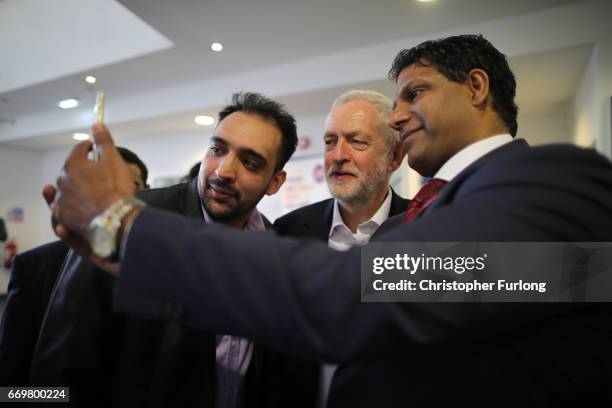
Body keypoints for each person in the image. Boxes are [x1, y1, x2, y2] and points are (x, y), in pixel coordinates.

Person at [47, 35, 612, 407]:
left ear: (477, 87)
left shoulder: (558, 183)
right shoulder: (434, 223)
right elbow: (44, 382)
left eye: (414, 93)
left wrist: (124, 223)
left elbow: (362, 294)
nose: (396, 116)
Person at [32, 92, 318, 407]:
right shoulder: (130, 219)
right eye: (217, 149)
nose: (223, 171)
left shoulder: (269, 244)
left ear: (275, 182)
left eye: (249, 162)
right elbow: (59, 364)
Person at [273, 90, 408, 406]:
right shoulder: (288, 231)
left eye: (356, 141)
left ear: (394, 156)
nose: (338, 155)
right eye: (330, 141)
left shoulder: (426, 229)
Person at [0, 147, 149, 386]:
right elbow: (11, 380)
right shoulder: (34, 267)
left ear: (147, 193)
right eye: (100, 187)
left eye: (128, 187)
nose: (113, 199)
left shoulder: (159, 269)